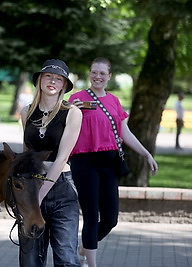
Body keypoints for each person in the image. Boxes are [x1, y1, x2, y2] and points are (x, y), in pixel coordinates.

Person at [68, 57, 159, 267]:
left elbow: (124, 132)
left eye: (102, 73)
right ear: (89, 73)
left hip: (109, 162)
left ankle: (84, 248)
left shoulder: (114, 101)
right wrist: (72, 111)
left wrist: (146, 154)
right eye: (93, 72)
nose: (97, 76)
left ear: (109, 76)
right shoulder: (76, 99)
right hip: (84, 161)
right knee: (91, 215)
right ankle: (90, 263)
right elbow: (64, 128)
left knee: (110, 219)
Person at [19, 59, 83, 266]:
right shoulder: (26, 111)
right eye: (48, 76)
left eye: (58, 78)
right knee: (30, 260)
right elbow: (26, 154)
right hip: (31, 187)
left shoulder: (72, 112)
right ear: (39, 80)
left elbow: (63, 156)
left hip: (61, 189)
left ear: (64, 85)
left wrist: (40, 194)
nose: (53, 81)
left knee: (65, 258)